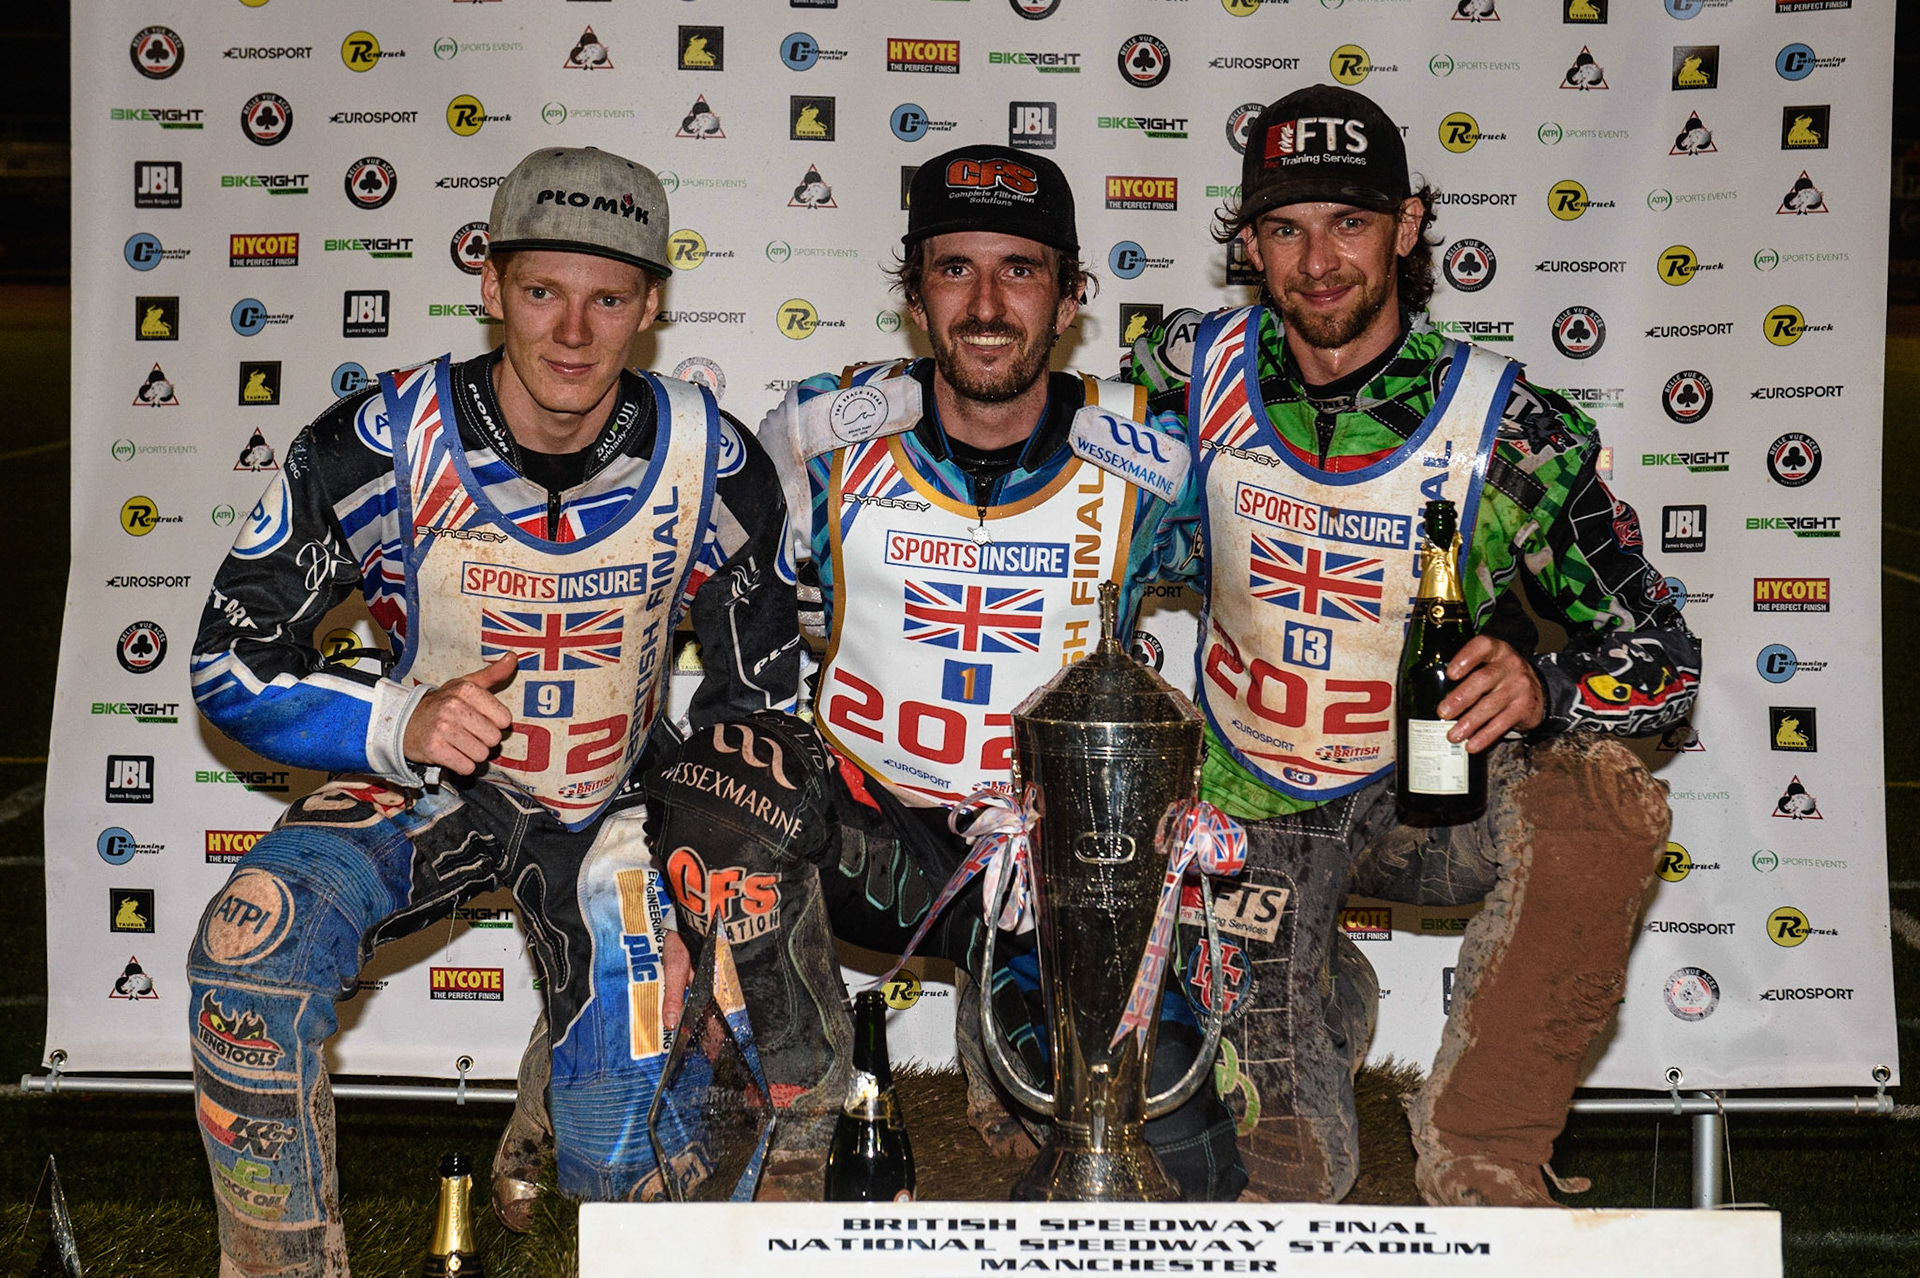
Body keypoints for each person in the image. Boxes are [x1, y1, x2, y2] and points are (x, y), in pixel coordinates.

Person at [187, 145, 800, 1275]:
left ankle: (564, 1101)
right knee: (248, 960)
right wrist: (398, 721)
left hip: (611, 801)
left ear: (652, 306)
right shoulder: (380, 441)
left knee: (636, 1142)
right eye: (541, 292)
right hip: (422, 785)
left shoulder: (713, 456)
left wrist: (701, 893)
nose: (573, 332)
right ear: (489, 285)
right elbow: (229, 660)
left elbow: (757, 703)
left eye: (608, 299)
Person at [1126, 84, 1699, 1206]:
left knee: (1601, 807)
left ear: (1410, 224)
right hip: (1254, 809)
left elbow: (1665, 651)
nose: (1320, 261)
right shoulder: (1190, 367)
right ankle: (1319, 993)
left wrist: (1550, 684)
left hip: (1433, 794)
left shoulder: (1510, 426)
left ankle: (1485, 1143)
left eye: (1350, 221)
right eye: (1286, 229)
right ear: (1248, 243)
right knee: (1289, 1181)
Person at [644, 144, 1246, 1200]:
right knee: (722, 786)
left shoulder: (1151, 452)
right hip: (864, 829)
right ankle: (795, 1114)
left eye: (1019, 271)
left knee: (1183, 1173)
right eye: (952, 269)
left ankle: (1043, 1026)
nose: (984, 304)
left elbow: (1278, 603)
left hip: (1059, 866)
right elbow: (719, 616)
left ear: (1068, 300)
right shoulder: (822, 429)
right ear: (915, 293)